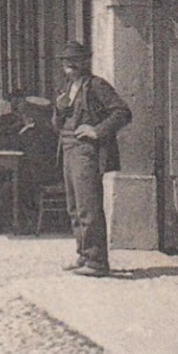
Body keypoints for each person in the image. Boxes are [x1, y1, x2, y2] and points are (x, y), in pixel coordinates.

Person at [53, 42, 132, 277]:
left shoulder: (97, 86)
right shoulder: (66, 88)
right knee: (74, 207)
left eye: (74, 60)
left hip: (86, 151)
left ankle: (97, 261)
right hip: (67, 149)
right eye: (65, 60)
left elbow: (122, 112)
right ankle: (84, 255)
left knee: (89, 207)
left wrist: (96, 131)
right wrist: (58, 110)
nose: (69, 64)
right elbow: (56, 125)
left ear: (85, 61)